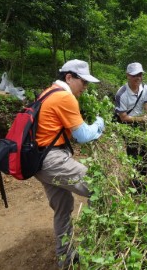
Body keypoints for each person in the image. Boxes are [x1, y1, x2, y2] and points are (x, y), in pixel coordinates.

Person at [33, 59, 104, 269]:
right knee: (99, 187)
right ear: (69, 77)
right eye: (84, 82)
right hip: (52, 159)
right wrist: (99, 123)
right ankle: (96, 246)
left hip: (40, 160)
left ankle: (65, 258)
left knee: (63, 207)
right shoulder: (65, 97)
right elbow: (83, 135)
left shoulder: (48, 93)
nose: (85, 88)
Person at [114, 62, 147, 191]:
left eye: (140, 74)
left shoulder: (144, 88)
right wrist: (141, 119)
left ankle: (141, 178)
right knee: (133, 153)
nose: (138, 78)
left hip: (143, 123)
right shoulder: (121, 94)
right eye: (135, 75)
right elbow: (123, 117)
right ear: (128, 76)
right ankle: (135, 183)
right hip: (128, 125)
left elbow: (146, 104)